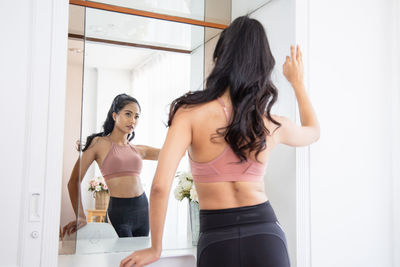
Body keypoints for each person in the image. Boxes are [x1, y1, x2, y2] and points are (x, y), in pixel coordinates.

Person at [120, 16, 319, 267]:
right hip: (266, 236)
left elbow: (160, 186)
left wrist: (155, 248)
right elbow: (313, 131)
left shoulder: (188, 113)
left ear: (221, 57)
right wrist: (297, 83)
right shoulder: (269, 122)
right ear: (263, 65)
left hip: (216, 239)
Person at [62, 93, 160, 238]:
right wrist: (81, 215)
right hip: (120, 212)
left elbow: (173, 152)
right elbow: (73, 181)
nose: (133, 120)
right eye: (128, 114)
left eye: (136, 116)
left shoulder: (138, 150)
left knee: (140, 258)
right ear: (115, 116)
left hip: (143, 209)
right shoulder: (98, 143)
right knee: (120, 258)